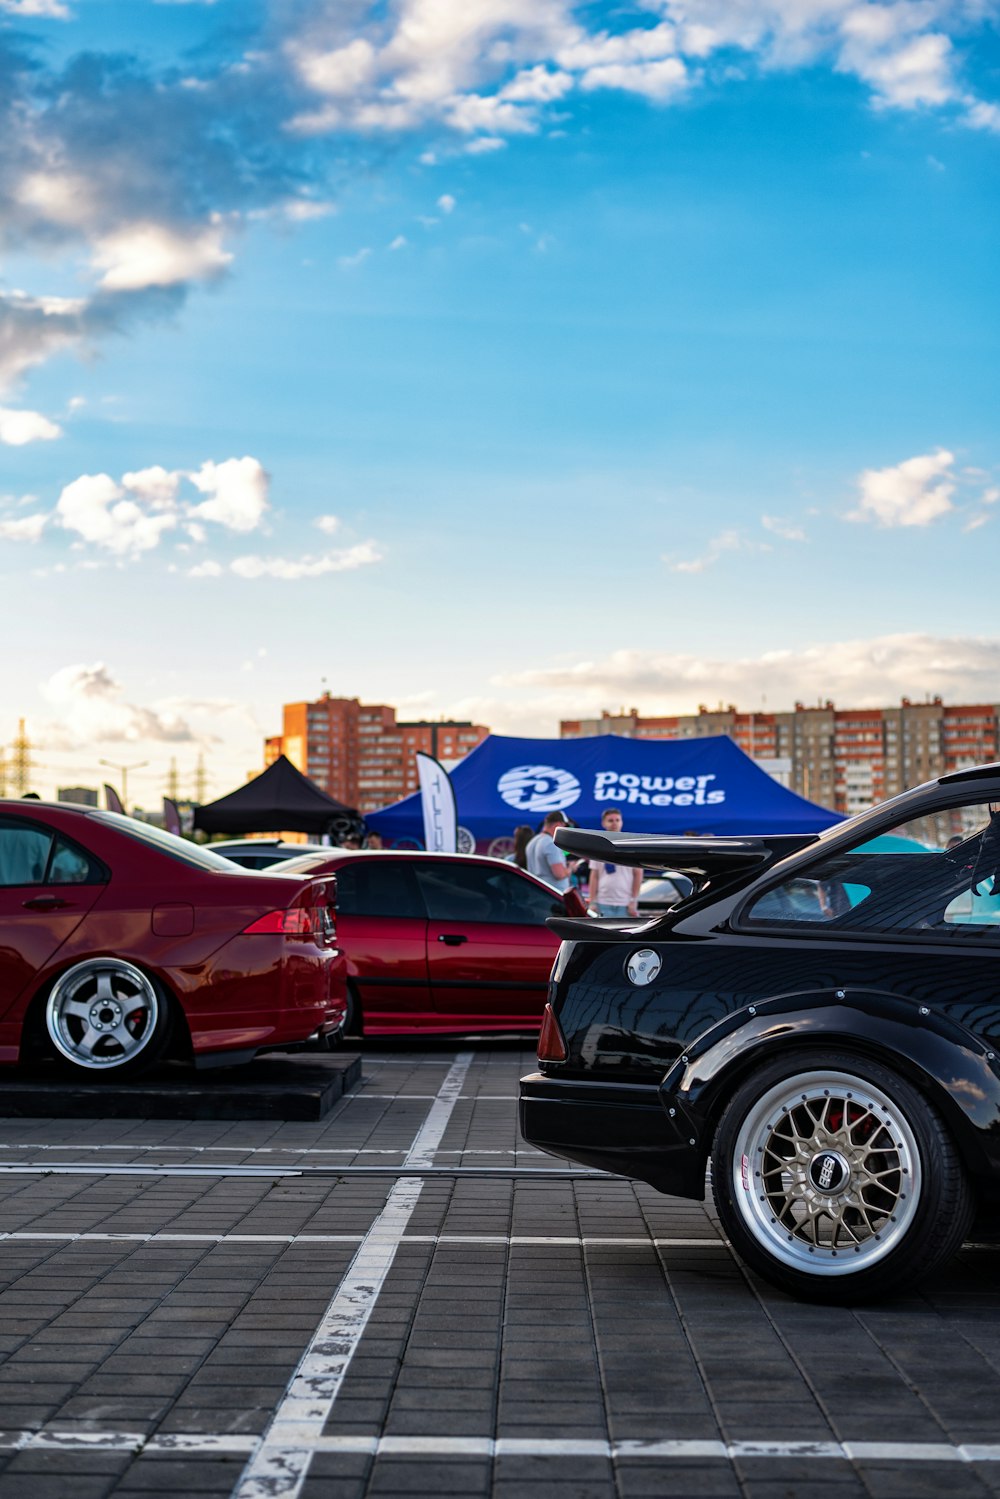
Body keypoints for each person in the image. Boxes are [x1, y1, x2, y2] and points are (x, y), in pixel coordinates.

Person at [588, 807, 641, 918]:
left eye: (617, 820)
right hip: (602, 902)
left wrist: (634, 900)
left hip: (625, 903)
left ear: (621, 822)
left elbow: (638, 874)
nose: (614, 823)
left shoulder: (630, 845)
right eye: (610, 820)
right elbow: (594, 876)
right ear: (604, 823)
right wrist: (592, 901)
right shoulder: (597, 846)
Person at [525, 811, 571, 892]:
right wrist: (571, 868)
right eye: (564, 826)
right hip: (554, 894)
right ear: (558, 825)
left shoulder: (532, 842)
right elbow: (559, 874)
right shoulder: (551, 843)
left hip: (537, 891)